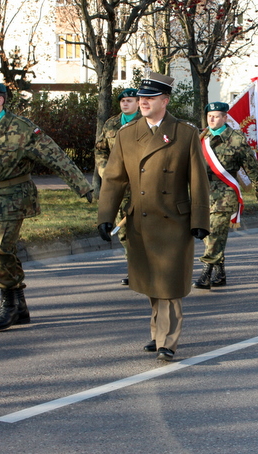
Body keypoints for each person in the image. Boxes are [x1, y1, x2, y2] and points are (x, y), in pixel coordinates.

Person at [0, 81, 93, 331]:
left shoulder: (21, 128)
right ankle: (20, 305)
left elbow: (56, 156)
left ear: (0, 100)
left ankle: (8, 305)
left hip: (15, 195)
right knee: (5, 252)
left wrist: (83, 186)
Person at [97, 72, 210, 362]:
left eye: (149, 98)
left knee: (169, 285)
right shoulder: (126, 134)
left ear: (165, 100)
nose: (143, 102)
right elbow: (114, 179)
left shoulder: (184, 134)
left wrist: (200, 221)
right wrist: (105, 216)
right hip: (141, 221)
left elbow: (198, 181)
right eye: (141, 98)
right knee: (150, 281)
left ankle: (167, 341)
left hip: (174, 221)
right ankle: (158, 332)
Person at [192, 102, 258, 289]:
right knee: (208, 236)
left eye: (216, 116)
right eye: (209, 115)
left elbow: (252, 169)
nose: (212, 119)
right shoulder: (200, 137)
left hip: (225, 192)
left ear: (225, 118)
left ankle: (206, 273)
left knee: (216, 232)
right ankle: (220, 271)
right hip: (202, 193)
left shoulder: (237, 139)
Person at [94, 88, 141, 285]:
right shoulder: (111, 123)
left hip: (139, 184)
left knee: (140, 227)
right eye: (122, 101)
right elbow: (100, 150)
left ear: (138, 103)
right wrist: (106, 172)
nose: (124, 104)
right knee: (122, 231)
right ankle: (134, 269)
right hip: (116, 184)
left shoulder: (145, 122)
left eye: (129, 101)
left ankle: (145, 269)